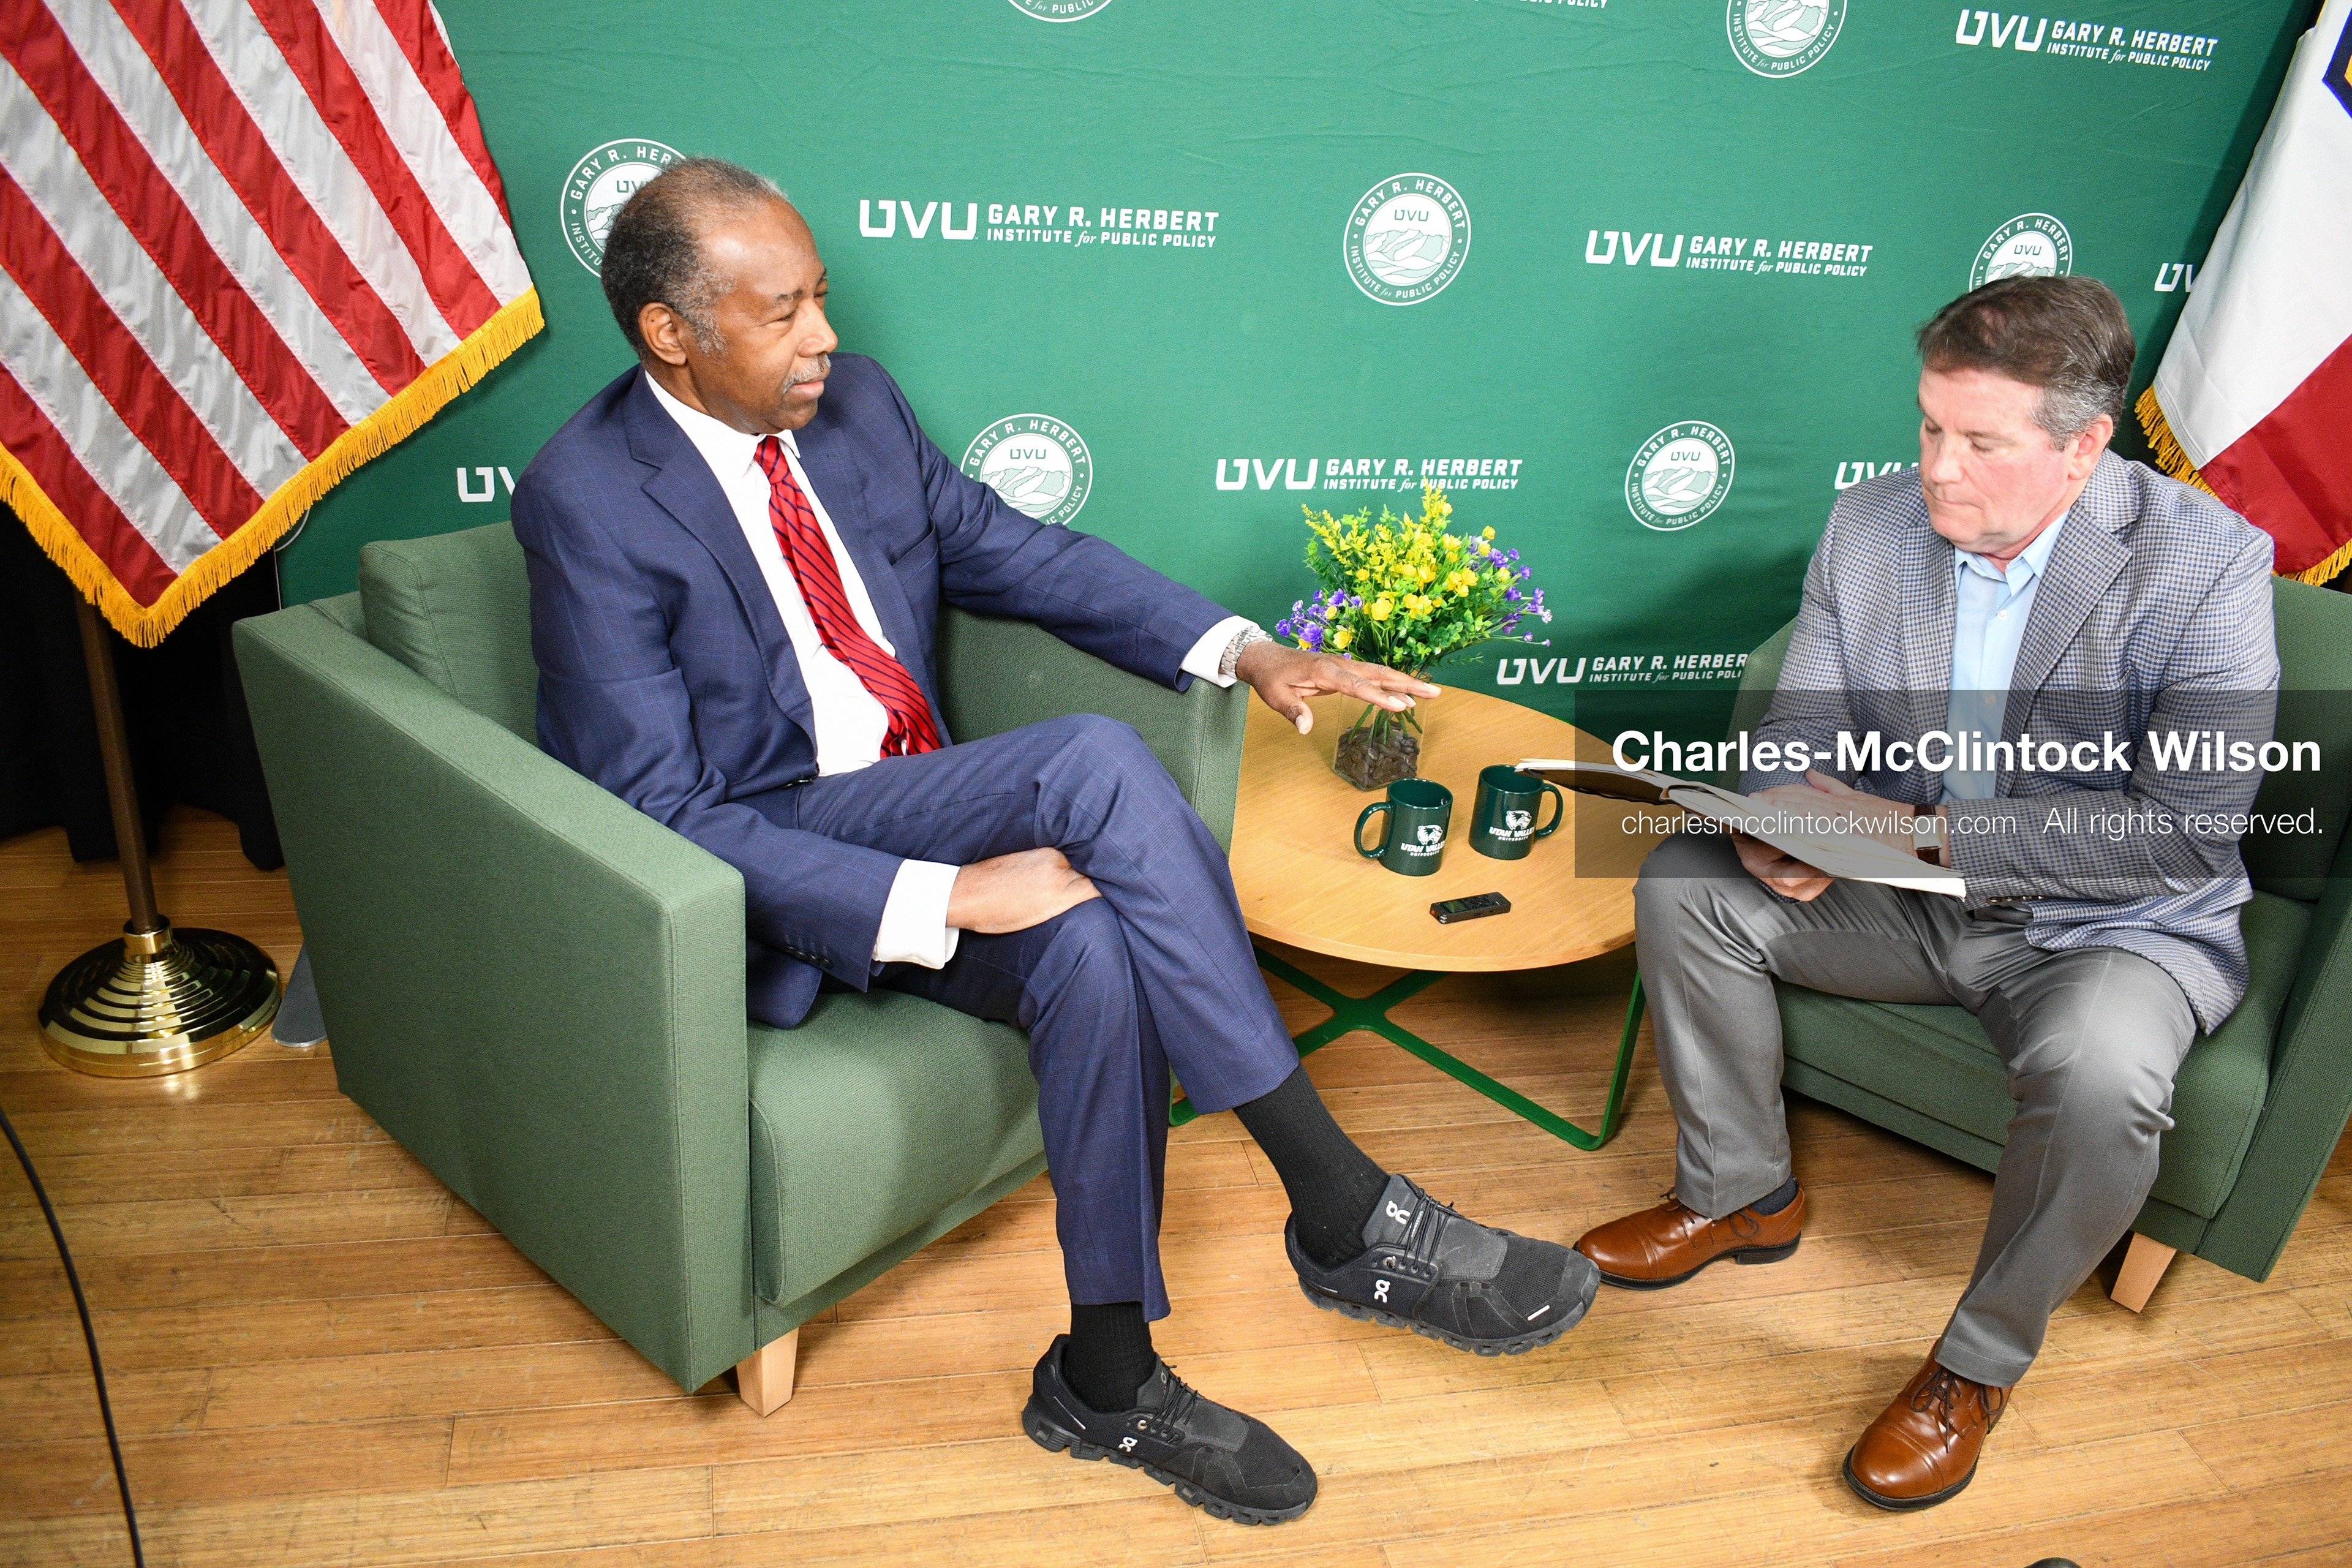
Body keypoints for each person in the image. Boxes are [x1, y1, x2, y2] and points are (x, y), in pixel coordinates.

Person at [510, 158, 1600, 1526]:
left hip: (920, 779)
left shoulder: (856, 409)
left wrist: (1250, 649)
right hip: (778, 839)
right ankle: (1339, 1203)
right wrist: (953, 891)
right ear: (670, 332)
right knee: (1089, 758)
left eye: (824, 300)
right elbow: (666, 812)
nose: (827, 339)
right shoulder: (586, 500)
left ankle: (1104, 1375)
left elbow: (1012, 549)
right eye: (782, 313)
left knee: (1090, 941)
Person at [1574, 276, 2277, 1510]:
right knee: (1689, 882)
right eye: (1927, 426)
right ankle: (1741, 1193)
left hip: (2103, 929)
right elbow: (1798, 732)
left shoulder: (2208, 565)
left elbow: (2188, 828)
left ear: (2082, 447)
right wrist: (1785, 819)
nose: (1938, 469)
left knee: (2107, 1070)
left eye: (1979, 441)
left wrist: (1932, 833)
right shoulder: (1870, 523)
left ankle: (1975, 1362)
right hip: (1900, 892)